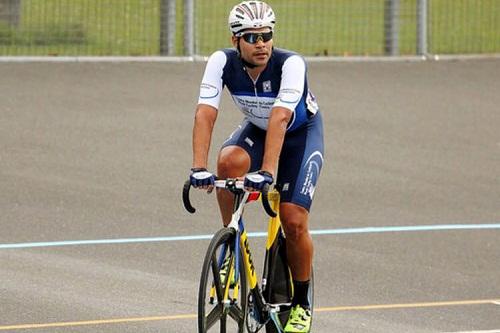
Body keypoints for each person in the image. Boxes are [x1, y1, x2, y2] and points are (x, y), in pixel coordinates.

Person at [189, 1, 324, 332]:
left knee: (293, 220)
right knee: (227, 163)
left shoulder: (290, 64)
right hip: (260, 129)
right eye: (252, 37)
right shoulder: (221, 62)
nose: (261, 43)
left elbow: (280, 118)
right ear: (236, 41)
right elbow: (206, 112)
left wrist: (266, 172)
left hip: (299, 134)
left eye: (266, 35)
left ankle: (302, 302)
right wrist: (197, 168)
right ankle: (230, 245)